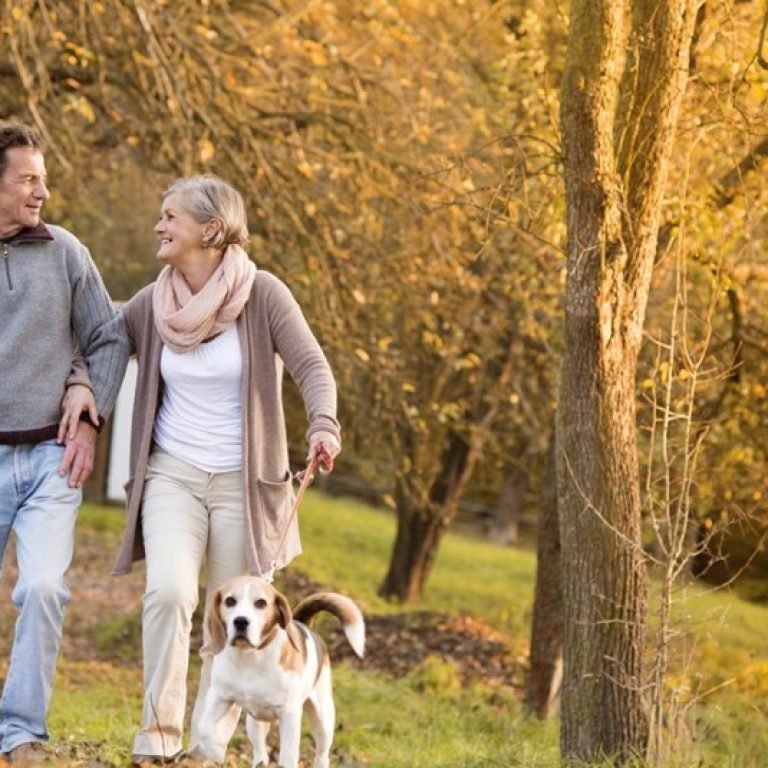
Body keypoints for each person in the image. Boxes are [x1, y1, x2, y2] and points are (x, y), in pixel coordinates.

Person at [64, 174, 341, 765]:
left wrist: (323, 423)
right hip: (173, 474)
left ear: (210, 230)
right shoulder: (153, 302)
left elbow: (312, 365)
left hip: (245, 483)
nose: (158, 227)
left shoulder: (262, 294)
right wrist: (83, 391)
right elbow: (106, 344)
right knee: (168, 592)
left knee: (231, 617)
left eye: (170, 217)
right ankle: (157, 738)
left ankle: (206, 743)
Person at [0, 121, 128, 763]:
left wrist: (90, 406)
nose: (42, 190)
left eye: (43, 178)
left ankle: (21, 735)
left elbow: (109, 336)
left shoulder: (66, 252)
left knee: (45, 588)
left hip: (52, 457)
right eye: (28, 178)